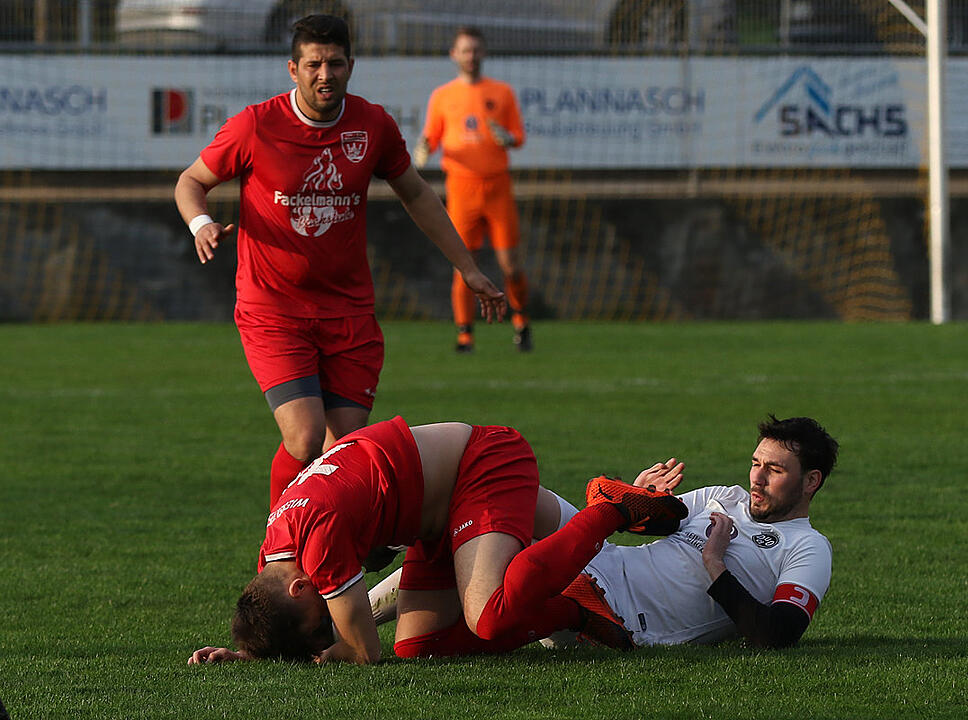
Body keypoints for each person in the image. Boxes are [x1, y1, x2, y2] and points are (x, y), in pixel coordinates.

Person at [174, 15, 506, 507]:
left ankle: (323, 550)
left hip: (348, 312)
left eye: (334, 63)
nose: (324, 74)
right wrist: (201, 223)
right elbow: (190, 182)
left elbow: (417, 195)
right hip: (274, 309)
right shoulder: (255, 125)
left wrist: (468, 267)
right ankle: (278, 556)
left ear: (351, 66)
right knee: (304, 439)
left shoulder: (372, 125)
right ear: (293, 69)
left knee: (343, 452)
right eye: (313, 64)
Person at [187, 416, 688, 665]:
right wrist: (254, 652)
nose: (326, 626)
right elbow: (294, 619)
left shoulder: (314, 537)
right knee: (419, 646)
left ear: (300, 588)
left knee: (487, 616)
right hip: (438, 516)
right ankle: (574, 610)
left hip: (483, 465)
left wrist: (335, 649)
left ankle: (613, 507)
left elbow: (364, 648)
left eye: (318, 621)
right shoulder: (277, 551)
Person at [368, 415, 837, 651]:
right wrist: (642, 497)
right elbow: (661, 520)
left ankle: (363, 608)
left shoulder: (807, 548)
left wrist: (715, 564)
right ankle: (360, 606)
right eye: (756, 463)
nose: (756, 477)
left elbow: (778, 635)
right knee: (503, 496)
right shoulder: (725, 495)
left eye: (774, 470)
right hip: (604, 560)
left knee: (502, 581)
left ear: (811, 481)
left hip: (616, 616)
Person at [413, 26, 532, 354]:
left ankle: (521, 321)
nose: (471, 56)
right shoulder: (442, 96)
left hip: (497, 187)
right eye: (465, 50)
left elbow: (517, 136)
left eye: (476, 50)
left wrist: (506, 138)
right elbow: (432, 138)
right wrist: (423, 147)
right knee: (464, 264)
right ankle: (465, 334)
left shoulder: (502, 92)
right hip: (461, 189)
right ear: (454, 55)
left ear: (484, 53)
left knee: (511, 264)